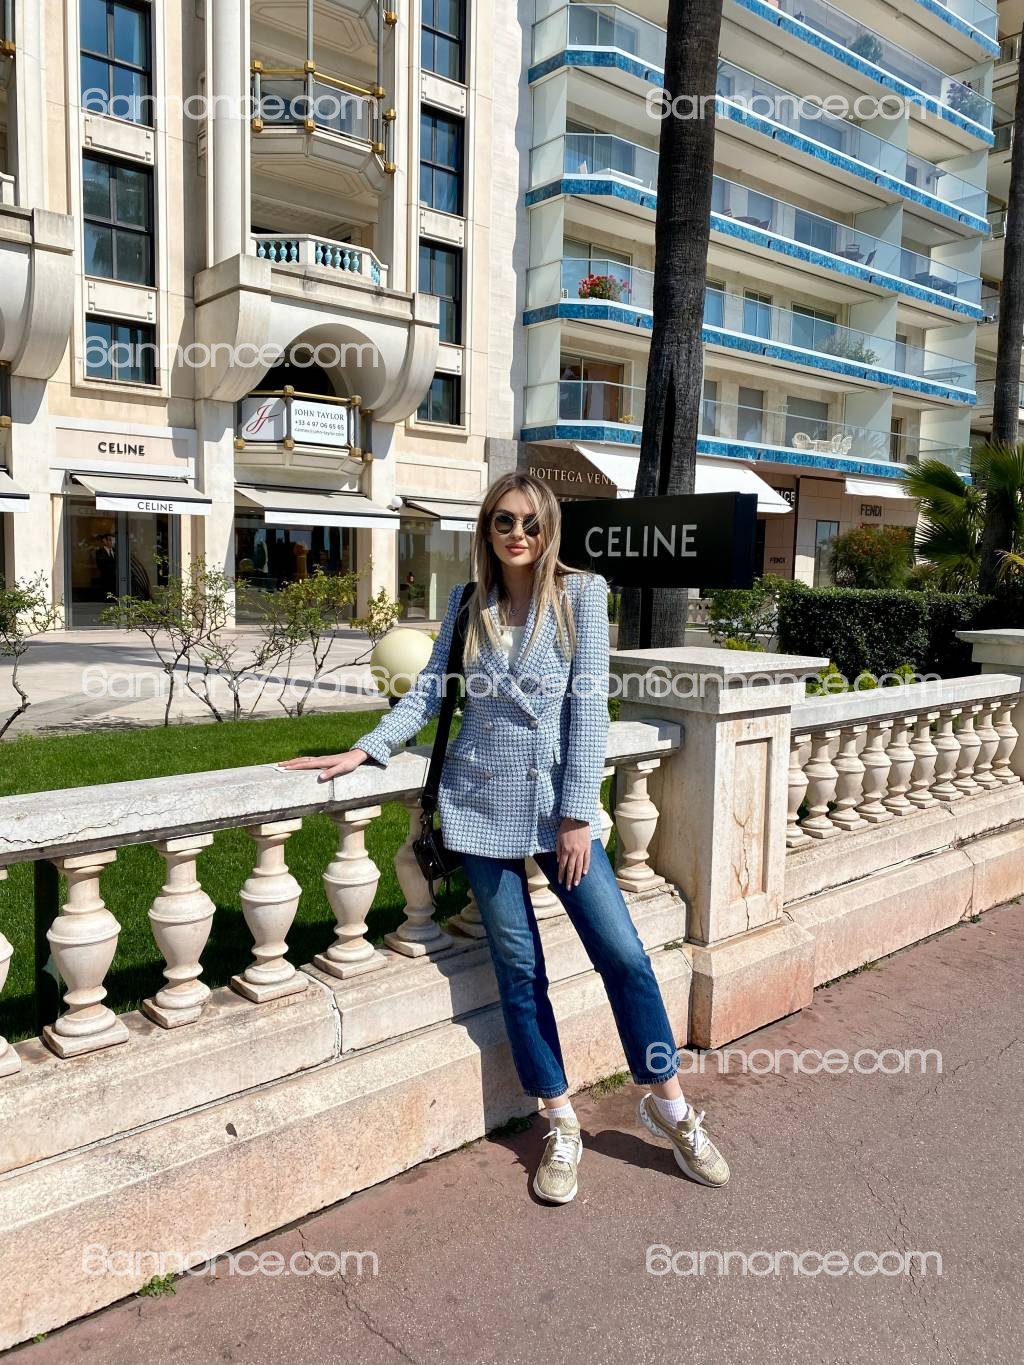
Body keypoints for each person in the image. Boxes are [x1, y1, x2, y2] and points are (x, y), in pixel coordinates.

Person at [279, 472, 730, 1203]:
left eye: (531, 522)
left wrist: (578, 814)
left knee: (625, 956)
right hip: (479, 806)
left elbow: (589, 710)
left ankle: (669, 1105)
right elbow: (431, 692)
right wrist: (368, 748)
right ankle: (559, 1119)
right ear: (487, 529)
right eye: (503, 521)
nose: (518, 534)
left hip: (556, 811)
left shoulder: (582, 595)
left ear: (550, 530)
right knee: (520, 971)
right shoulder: (467, 603)